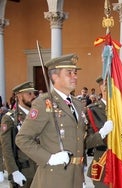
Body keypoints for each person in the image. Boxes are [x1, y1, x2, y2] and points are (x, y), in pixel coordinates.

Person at [15, 54, 113, 188]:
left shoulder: (77, 104)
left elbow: (81, 142)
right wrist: (49, 158)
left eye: (75, 72)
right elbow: (22, 139)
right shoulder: (44, 103)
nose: (75, 76)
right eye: (69, 73)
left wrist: (101, 134)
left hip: (76, 177)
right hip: (53, 177)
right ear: (55, 76)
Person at [1, 81, 37, 187]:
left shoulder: (37, 116)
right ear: (19, 96)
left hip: (40, 170)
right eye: (29, 94)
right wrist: (13, 171)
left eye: (34, 93)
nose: (33, 96)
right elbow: (6, 147)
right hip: (23, 171)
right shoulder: (10, 118)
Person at [86, 76, 108, 188]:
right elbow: (87, 142)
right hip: (103, 164)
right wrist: (102, 133)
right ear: (103, 87)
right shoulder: (92, 110)